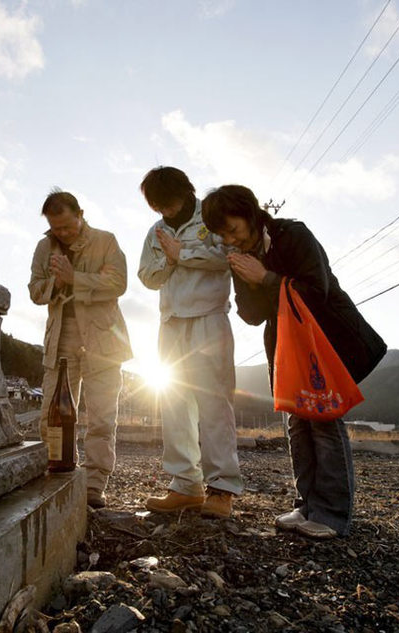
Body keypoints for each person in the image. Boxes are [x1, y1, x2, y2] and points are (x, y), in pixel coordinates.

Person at [201, 184, 386, 538]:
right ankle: (307, 506)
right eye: (223, 235)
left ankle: (331, 515)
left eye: (233, 229)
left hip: (327, 339)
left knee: (324, 419)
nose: (231, 239)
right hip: (287, 347)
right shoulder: (240, 255)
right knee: (297, 424)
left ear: (252, 214)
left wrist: (265, 278)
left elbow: (317, 291)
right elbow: (252, 315)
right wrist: (250, 280)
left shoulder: (293, 235)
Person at [137, 166, 243, 518]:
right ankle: (185, 485)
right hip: (170, 322)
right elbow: (147, 276)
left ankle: (222, 488)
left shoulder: (210, 217)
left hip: (209, 318)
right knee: (173, 405)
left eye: (170, 204)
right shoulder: (156, 231)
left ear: (186, 193)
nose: (166, 212)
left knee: (214, 403)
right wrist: (170, 259)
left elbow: (227, 258)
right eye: (159, 208)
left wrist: (182, 254)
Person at [29, 189, 133, 509]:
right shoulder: (44, 247)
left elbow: (118, 283)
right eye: (55, 227)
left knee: (102, 416)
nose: (62, 233)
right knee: (51, 414)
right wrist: (55, 284)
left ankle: (94, 484)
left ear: (81, 214)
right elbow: (35, 291)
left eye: (67, 226)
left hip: (102, 339)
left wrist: (75, 278)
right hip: (60, 337)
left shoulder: (106, 240)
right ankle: (60, 474)